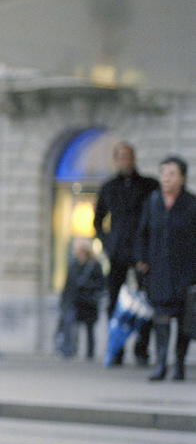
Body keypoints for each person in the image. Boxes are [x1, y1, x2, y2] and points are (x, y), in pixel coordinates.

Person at [95, 142, 159, 366]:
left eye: (128, 156)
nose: (125, 161)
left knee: (145, 301)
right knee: (114, 302)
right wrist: (107, 243)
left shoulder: (149, 185)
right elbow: (97, 221)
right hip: (117, 253)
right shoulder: (109, 187)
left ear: (134, 158)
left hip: (142, 253)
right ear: (116, 160)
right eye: (120, 157)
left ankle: (142, 349)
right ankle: (116, 349)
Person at [135, 155, 196, 381]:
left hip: (186, 272)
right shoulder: (153, 202)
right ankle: (160, 363)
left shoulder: (191, 204)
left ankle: (178, 363)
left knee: (184, 320)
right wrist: (141, 259)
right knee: (160, 317)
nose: (166, 179)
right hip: (159, 271)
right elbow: (142, 233)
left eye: (172, 174)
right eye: (163, 174)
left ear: (182, 177)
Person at [58, 236, 105, 359]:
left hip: (89, 302)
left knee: (89, 328)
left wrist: (87, 285)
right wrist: (63, 301)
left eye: (76, 247)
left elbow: (101, 284)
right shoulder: (73, 264)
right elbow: (68, 284)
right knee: (69, 323)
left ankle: (90, 352)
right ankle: (67, 350)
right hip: (74, 301)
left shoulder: (95, 265)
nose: (74, 250)